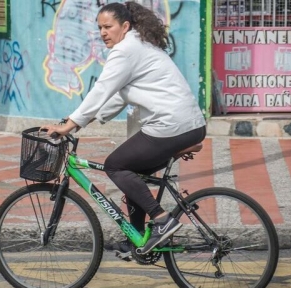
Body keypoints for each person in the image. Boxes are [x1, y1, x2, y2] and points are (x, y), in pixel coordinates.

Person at [41, 2, 206, 256]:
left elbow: (102, 89)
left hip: (172, 125)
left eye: (108, 26)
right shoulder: (139, 45)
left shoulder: (126, 50)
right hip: (186, 125)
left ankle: (161, 220)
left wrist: (70, 125)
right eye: (100, 28)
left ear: (125, 26)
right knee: (133, 172)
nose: (103, 32)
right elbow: (118, 96)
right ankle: (137, 238)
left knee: (115, 165)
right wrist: (82, 121)